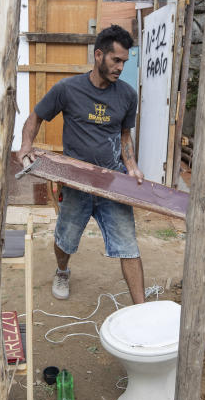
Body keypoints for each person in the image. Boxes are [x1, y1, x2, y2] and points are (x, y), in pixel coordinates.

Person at [17, 24, 146, 305]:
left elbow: (125, 135)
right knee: (65, 239)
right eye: (116, 60)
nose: (121, 67)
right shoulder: (67, 89)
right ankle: (62, 271)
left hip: (113, 182)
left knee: (128, 245)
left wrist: (131, 164)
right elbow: (36, 117)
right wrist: (26, 145)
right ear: (99, 55)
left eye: (124, 61)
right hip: (75, 181)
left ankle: (141, 309)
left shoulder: (126, 95)